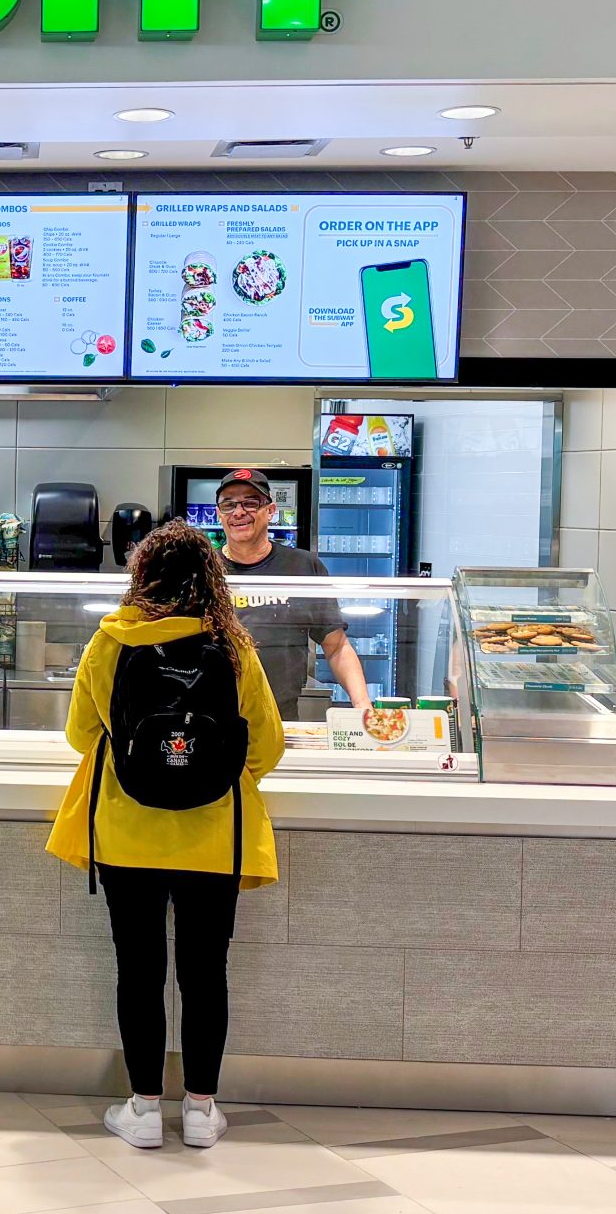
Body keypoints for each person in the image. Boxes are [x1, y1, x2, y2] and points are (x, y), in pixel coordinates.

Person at [46, 521, 284, 1151]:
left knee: (139, 970)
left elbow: (79, 736)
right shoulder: (235, 649)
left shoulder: (110, 642)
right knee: (207, 973)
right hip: (213, 839)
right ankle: (202, 1110)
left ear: (142, 577)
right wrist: (206, 777)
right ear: (212, 580)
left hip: (127, 835)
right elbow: (267, 745)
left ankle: (145, 1109)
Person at [208, 468, 373, 718]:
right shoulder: (202, 570)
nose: (238, 512)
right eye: (228, 505)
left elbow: (336, 645)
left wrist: (363, 706)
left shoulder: (303, 566)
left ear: (271, 511)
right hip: (210, 716)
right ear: (219, 514)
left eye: (250, 503)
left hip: (278, 717)